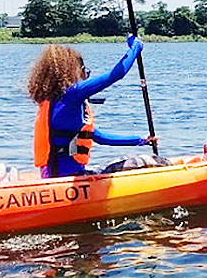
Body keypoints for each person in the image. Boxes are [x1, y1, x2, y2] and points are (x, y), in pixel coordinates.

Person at [29, 35, 154, 178]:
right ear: (75, 71)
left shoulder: (54, 101)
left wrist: (141, 140)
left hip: (54, 175)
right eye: (85, 72)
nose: (86, 77)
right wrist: (136, 47)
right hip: (70, 177)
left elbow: (100, 137)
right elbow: (115, 75)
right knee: (143, 161)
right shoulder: (73, 93)